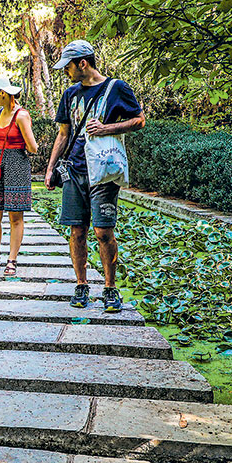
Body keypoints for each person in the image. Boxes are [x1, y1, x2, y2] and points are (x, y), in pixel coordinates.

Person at [44, 40, 145, 312]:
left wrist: (107, 128)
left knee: (103, 231)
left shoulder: (117, 88)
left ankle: (110, 289)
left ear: (83, 64)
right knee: (77, 230)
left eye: (69, 67)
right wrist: (51, 167)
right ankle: (81, 285)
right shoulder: (70, 94)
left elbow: (139, 120)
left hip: (103, 171)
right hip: (75, 170)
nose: (66, 72)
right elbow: (64, 133)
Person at [0, 74, 39, 276]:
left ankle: (12, 260)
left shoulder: (21, 115)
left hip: (17, 166)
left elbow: (33, 147)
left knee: (15, 215)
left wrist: (20, 142)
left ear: (2, 93)